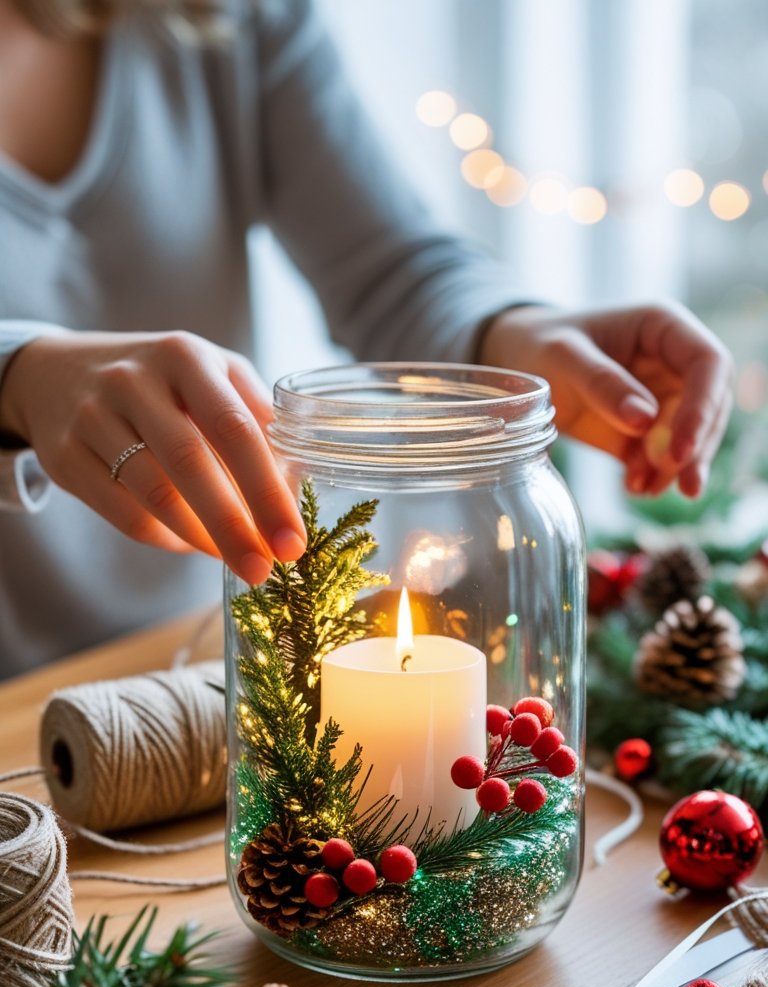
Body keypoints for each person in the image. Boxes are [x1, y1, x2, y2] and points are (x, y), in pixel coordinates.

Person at [0, 0, 733, 679]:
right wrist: (19, 375)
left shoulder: (225, 15)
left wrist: (512, 330)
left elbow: (388, 263)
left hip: (196, 669)